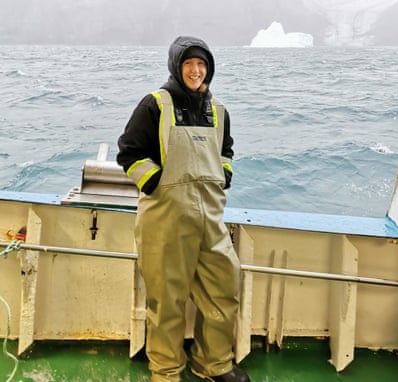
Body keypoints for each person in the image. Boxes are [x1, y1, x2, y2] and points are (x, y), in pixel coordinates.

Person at [117, 36, 250, 382]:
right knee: (166, 301)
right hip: (166, 218)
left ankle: (214, 364)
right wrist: (155, 184)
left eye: (202, 64)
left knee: (223, 290)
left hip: (211, 217)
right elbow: (129, 152)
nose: (196, 70)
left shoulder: (219, 110)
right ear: (177, 67)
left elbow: (227, 151)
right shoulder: (155, 105)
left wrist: (224, 176)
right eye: (189, 63)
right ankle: (165, 371)